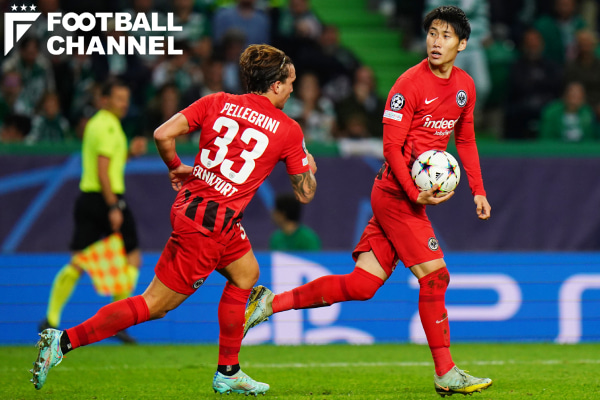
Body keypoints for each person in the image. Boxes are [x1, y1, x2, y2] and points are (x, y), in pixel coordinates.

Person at [31, 44, 318, 396]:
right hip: (209, 226)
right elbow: (305, 193)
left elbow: (162, 134)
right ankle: (63, 342)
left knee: (246, 273)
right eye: (290, 82)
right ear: (275, 85)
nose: (292, 89)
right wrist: (307, 163)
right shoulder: (288, 129)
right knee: (154, 305)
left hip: (194, 208)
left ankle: (228, 371)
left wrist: (176, 166)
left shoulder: (217, 101)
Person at [244, 6, 493, 397]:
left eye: (445, 35)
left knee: (362, 285)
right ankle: (446, 373)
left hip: (411, 197)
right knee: (436, 277)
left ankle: (271, 303)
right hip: (396, 195)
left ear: (462, 44)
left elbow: (465, 139)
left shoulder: (465, 87)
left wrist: (478, 189)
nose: (436, 41)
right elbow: (391, 147)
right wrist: (413, 192)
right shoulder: (408, 84)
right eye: (432, 33)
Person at [38, 80, 147, 344]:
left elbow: (108, 164)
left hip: (90, 199)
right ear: (104, 99)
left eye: (126, 98)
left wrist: (129, 154)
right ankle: (118, 323)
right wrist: (113, 206)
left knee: (78, 262)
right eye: (119, 98)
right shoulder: (107, 126)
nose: (124, 103)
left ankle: (50, 319)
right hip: (105, 198)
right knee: (132, 259)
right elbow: (102, 171)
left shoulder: (101, 124)